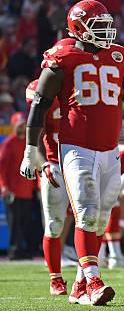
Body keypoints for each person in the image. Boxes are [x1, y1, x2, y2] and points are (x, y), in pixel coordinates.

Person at [19, 0, 124, 306]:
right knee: (86, 212)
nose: (106, 31)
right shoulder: (63, 56)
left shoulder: (117, 55)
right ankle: (93, 280)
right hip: (74, 147)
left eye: (108, 24)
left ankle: (79, 284)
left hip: (109, 148)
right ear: (78, 28)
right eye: (98, 25)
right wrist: (31, 151)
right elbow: (39, 104)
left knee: (101, 219)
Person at [25, 40, 74, 294]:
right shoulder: (38, 89)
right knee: (54, 223)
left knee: (93, 219)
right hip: (54, 161)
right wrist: (42, 162)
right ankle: (55, 278)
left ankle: (87, 276)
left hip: (81, 157)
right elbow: (36, 127)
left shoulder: (80, 82)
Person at [0, 112, 37, 260]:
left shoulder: (28, 143)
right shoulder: (9, 143)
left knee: (26, 222)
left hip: (27, 191)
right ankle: (15, 251)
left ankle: (26, 250)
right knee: (14, 223)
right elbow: (2, 168)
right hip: (12, 191)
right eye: (20, 125)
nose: (22, 128)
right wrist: (4, 186)